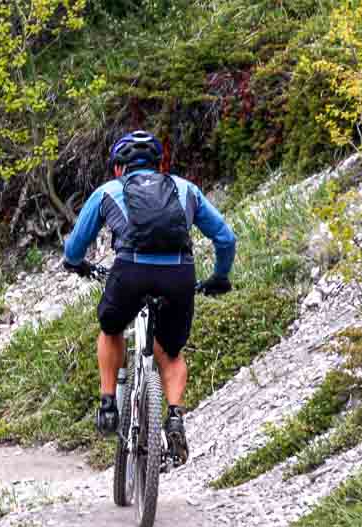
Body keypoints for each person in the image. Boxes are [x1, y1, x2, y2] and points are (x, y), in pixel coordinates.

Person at [63, 130, 236, 464]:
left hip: (130, 272)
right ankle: (173, 415)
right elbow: (225, 238)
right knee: (170, 352)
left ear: (118, 168)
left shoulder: (107, 192)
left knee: (111, 327)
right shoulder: (186, 189)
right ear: (161, 164)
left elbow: (75, 246)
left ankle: (108, 402)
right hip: (178, 275)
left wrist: (75, 264)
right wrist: (220, 277)